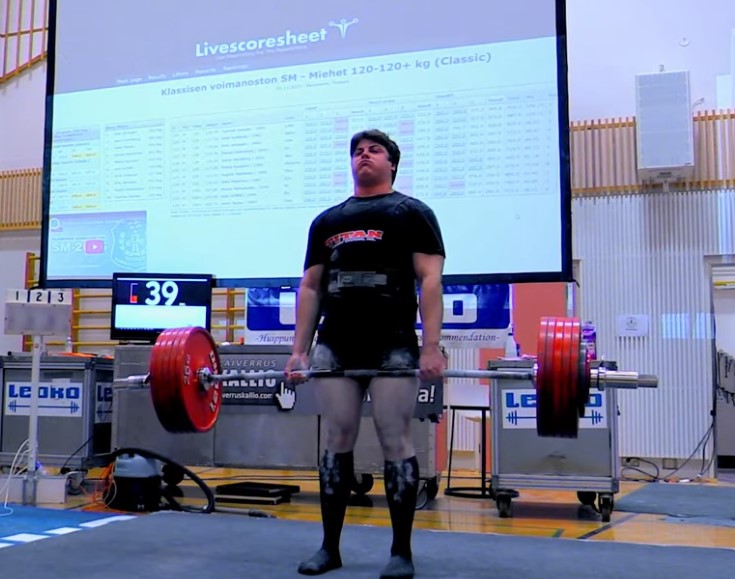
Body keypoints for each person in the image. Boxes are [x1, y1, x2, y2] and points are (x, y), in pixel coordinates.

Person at [285, 129, 447, 579]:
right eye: (357, 151)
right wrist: (299, 351)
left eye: (374, 150)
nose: (364, 156)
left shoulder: (412, 213)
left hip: (392, 344)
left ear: (392, 163)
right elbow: (311, 287)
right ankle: (329, 548)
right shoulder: (327, 221)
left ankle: (401, 552)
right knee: (337, 438)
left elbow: (430, 280)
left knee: (395, 438)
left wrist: (431, 346)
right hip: (336, 344)